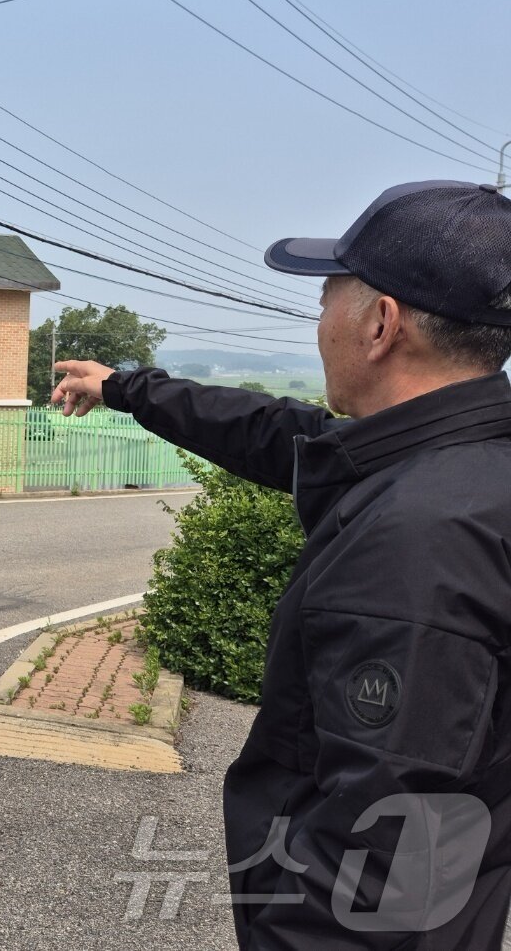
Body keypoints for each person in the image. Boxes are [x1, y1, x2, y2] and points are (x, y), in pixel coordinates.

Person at [52, 180, 511, 949]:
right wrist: (127, 388)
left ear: (380, 324)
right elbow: (279, 434)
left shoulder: (418, 541)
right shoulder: (462, 463)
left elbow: (378, 863)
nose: (317, 320)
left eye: (327, 297)